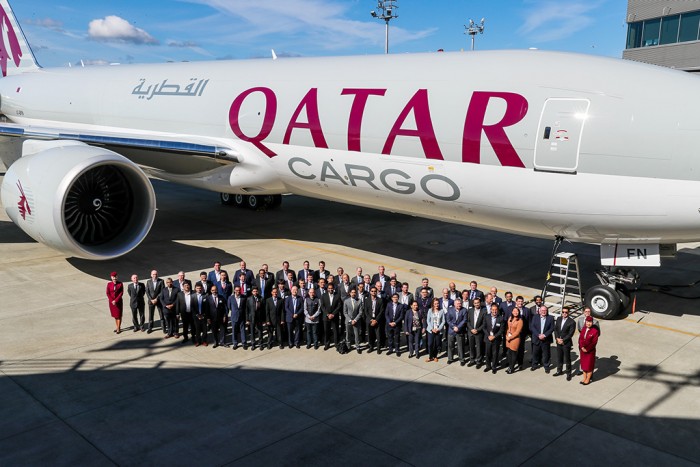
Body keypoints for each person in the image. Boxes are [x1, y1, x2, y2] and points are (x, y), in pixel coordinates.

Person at [554, 306, 576, 380]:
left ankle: (568, 373)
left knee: (567, 359)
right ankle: (559, 371)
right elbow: (556, 329)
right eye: (563, 312)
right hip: (558, 342)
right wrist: (557, 338)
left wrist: (563, 340)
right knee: (559, 357)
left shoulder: (572, 322)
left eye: (566, 312)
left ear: (568, 313)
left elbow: (570, 334)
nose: (564, 313)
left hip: (566, 343)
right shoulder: (558, 319)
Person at [530, 305, 554, 373]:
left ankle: (546, 366)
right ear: (539, 311)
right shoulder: (535, 317)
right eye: (542, 310)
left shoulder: (550, 318)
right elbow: (532, 327)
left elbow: (552, 328)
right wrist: (538, 335)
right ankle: (534, 365)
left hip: (546, 339)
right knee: (535, 353)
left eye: (545, 310)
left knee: (546, 354)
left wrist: (544, 335)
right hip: (536, 338)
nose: (544, 312)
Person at [483, 303, 505, 373]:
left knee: (495, 354)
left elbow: (501, 330)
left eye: (496, 310)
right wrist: (488, 336)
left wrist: (494, 336)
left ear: (497, 310)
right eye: (493, 310)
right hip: (488, 338)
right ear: (491, 310)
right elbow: (484, 327)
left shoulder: (501, 318)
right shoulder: (486, 317)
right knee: (488, 353)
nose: (494, 311)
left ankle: (494, 367)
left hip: (496, 339)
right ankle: (488, 366)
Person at [466, 297, 487, 367]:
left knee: (479, 348)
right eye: (475, 303)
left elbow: (484, 323)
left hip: (479, 333)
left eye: (478, 303)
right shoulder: (470, 310)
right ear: (473, 304)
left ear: (480, 303)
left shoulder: (484, 311)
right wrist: (471, 329)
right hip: (471, 332)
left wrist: (477, 330)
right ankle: (472, 360)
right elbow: (467, 321)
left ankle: (479, 361)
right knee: (471, 347)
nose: (477, 304)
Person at [578, 316, 600, 385]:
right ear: (585, 322)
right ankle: (584, 378)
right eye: (587, 322)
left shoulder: (595, 331)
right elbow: (580, 339)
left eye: (590, 322)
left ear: (592, 323)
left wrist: (587, 349)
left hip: (590, 352)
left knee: (589, 366)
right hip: (582, 351)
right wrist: (581, 347)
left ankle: (588, 379)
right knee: (584, 365)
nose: (588, 323)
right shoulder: (583, 329)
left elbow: (594, 343)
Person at [321, 283, 342, 350]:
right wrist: (327, 314)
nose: (330, 289)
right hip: (326, 316)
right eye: (329, 288)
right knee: (326, 331)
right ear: (327, 289)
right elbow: (322, 306)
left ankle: (336, 344)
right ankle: (327, 344)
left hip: (334, 316)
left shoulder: (337, 295)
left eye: (331, 288)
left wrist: (333, 314)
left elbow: (339, 305)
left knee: (335, 331)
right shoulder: (323, 295)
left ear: (333, 288)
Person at [446, 298, 467, 366]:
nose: (459, 305)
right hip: (451, 330)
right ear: (454, 304)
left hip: (460, 330)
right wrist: (453, 327)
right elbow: (448, 320)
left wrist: (458, 327)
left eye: (460, 303)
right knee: (450, 345)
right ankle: (450, 359)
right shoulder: (450, 309)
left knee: (460, 346)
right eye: (458, 304)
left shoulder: (464, 310)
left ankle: (462, 359)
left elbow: (464, 320)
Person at [364, 286, 385, 353]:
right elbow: (366, 311)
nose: (373, 292)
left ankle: (378, 348)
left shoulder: (380, 300)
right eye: (372, 291)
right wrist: (371, 320)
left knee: (378, 335)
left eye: (375, 291)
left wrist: (376, 320)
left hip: (377, 320)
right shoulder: (367, 300)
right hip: (369, 320)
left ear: (376, 292)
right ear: (370, 292)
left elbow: (381, 311)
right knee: (370, 334)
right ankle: (371, 347)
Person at [343, 288, 363, 353]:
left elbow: (360, 312)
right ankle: (348, 346)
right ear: (350, 293)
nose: (353, 294)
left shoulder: (359, 301)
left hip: (356, 321)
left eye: (354, 292)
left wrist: (355, 320)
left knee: (356, 334)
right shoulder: (346, 301)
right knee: (348, 334)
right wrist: (350, 320)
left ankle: (358, 347)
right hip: (348, 321)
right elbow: (345, 312)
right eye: (352, 292)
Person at [426, 298, 445, 362]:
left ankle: (435, 356)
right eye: (435, 304)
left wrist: (439, 329)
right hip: (431, 330)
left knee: (437, 344)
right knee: (430, 344)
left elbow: (443, 321)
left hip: (438, 331)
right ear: (433, 304)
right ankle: (430, 356)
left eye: (437, 303)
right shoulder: (430, 310)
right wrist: (432, 329)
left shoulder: (441, 311)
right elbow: (428, 321)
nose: (437, 305)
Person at [146, 269, 164, 334]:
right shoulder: (148, 282)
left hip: (158, 301)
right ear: (151, 275)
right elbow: (147, 291)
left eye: (156, 274)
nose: (155, 275)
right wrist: (151, 299)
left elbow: (162, 291)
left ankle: (163, 327)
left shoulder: (161, 281)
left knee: (161, 314)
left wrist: (156, 299)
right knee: (151, 315)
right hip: (151, 301)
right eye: (153, 274)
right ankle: (150, 328)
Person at [505, 308, 523, 374]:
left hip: (515, 339)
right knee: (508, 353)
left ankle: (512, 368)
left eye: (517, 311)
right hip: (508, 338)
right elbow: (508, 328)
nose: (515, 312)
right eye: (514, 311)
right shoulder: (510, 318)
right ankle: (510, 366)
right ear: (512, 312)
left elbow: (517, 332)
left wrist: (510, 337)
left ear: (519, 312)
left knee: (513, 353)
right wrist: (507, 336)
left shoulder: (520, 321)